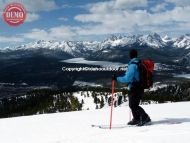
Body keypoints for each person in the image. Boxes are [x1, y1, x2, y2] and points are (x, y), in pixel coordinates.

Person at [112, 49, 151, 126]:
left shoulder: (133, 65)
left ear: (130, 55)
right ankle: (136, 118)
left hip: (135, 87)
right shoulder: (139, 63)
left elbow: (127, 78)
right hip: (139, 87)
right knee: (133, 104)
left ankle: (145, 118)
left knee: (133, 105)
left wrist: (116, 78)